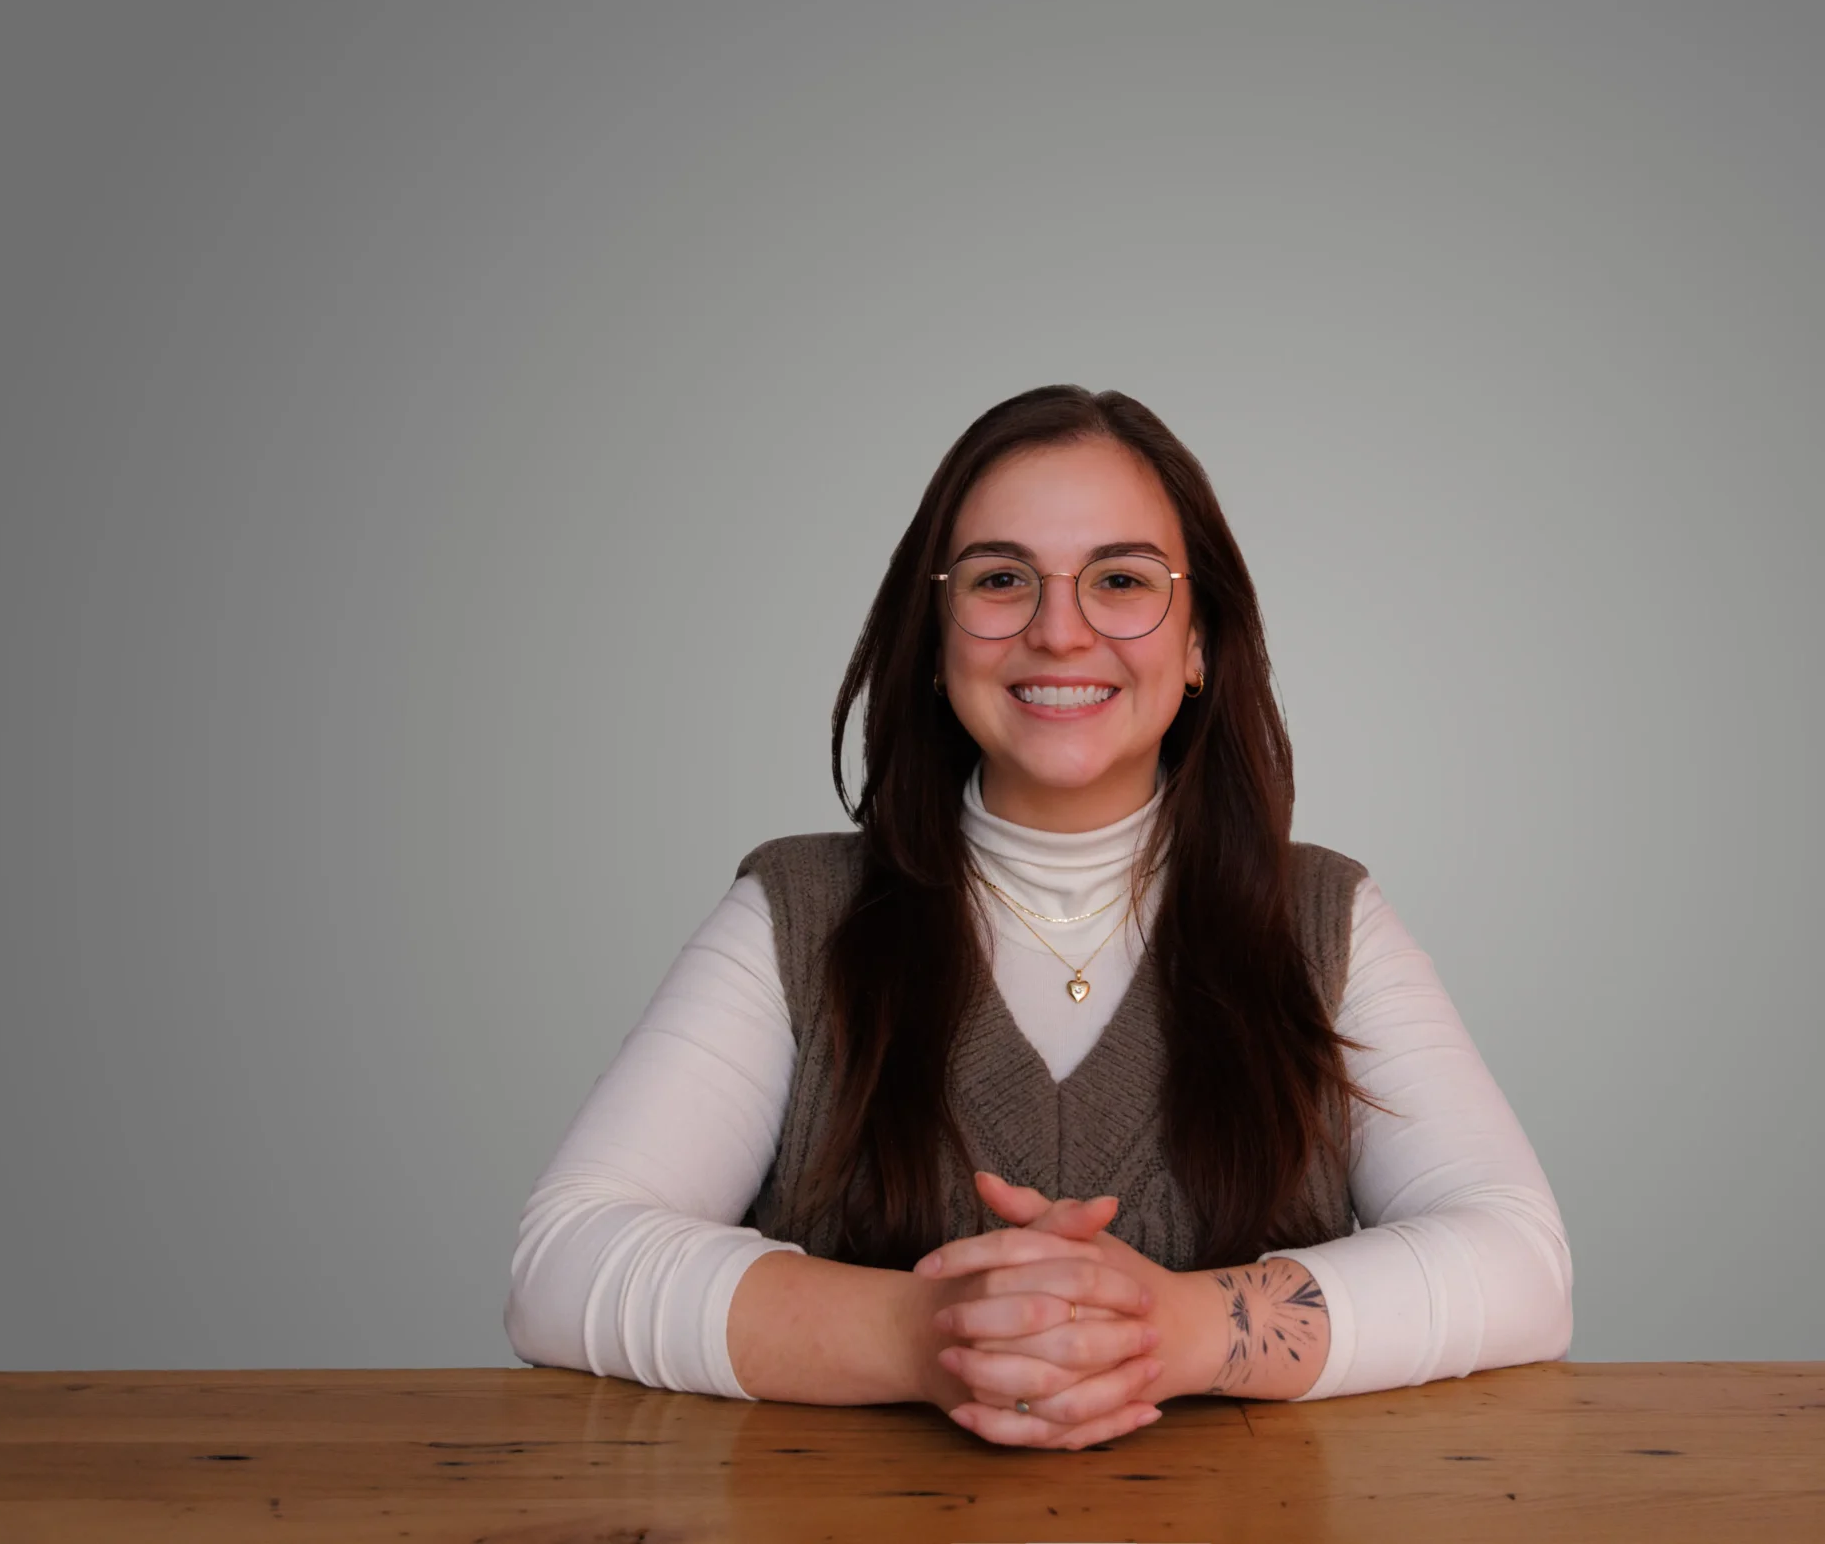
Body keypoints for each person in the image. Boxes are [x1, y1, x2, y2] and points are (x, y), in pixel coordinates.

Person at [505, 385, 1572, 1450]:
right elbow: (561, 1264)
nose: (1059, 631)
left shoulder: (1322, 920)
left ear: (1200, 643)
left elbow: (1522, 1263)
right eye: (1002, 579)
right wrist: (927, 1336)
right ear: (933, 641)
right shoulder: (797, 915)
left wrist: (1179, 1329)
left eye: (1120, 579)